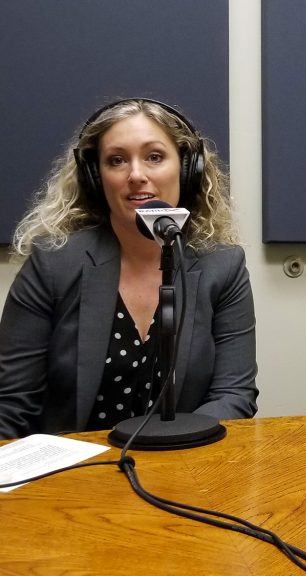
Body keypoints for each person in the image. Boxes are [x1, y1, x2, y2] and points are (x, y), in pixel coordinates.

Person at [0, 98, 257, 439]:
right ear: (95, 177)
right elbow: (12, 406)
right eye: (117, 160)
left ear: (186, 168)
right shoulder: (52, 263)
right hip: (73, 476)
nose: (136, 175)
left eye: (154, 156)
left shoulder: (223, 266)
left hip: (183, 462)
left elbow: (234, 396)